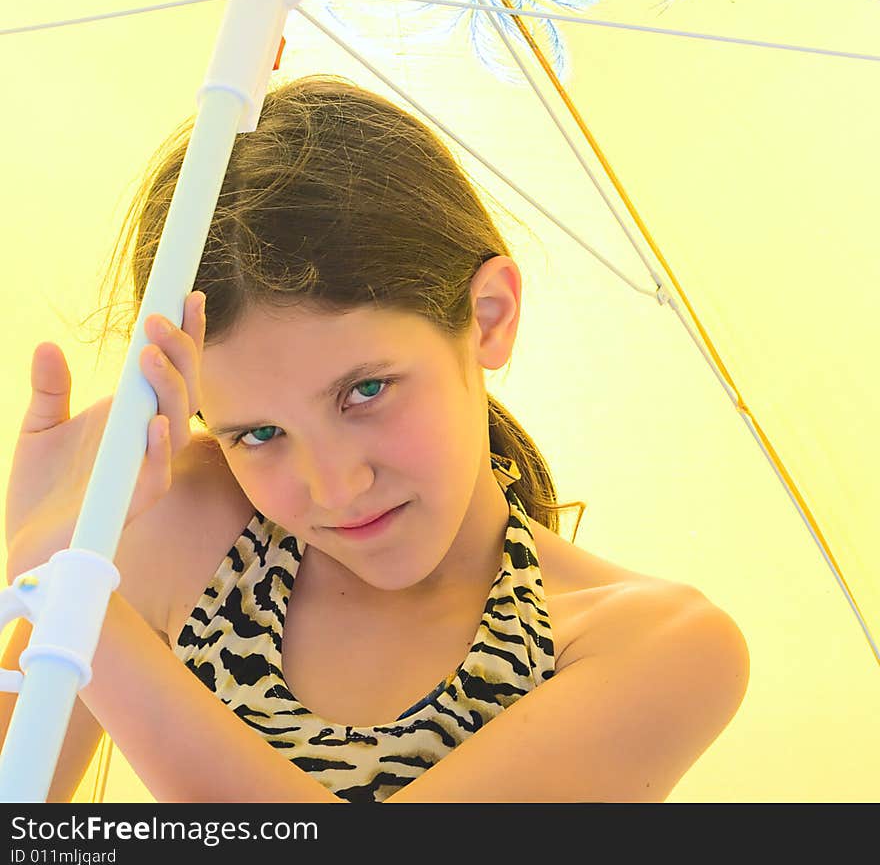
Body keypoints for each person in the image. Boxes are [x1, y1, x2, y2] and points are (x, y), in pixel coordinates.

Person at [2, 75, 749, 804]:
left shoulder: (657, 649)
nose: (332, 486)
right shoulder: (175, 531)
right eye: (258, 432)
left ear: (488, 316)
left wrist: (71, 599)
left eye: (365, 391)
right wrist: (56, 569)